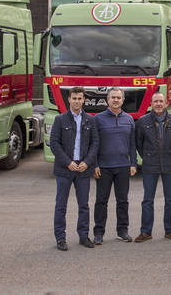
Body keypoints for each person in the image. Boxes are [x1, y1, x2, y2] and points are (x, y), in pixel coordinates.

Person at [50, 86, 99, 251]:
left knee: (84, 205)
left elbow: (95, 144)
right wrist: (67, 162)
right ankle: (60, 238)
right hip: (65, 169)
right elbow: (54, 144)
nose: (77, 101)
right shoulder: (60, 120)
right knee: (61, 205)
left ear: (84, 100)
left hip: (83, 169)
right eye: (74, 98)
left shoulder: (90, 120)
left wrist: (87, 162)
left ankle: (84, 236)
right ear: (69, 99)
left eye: (80, 98)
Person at [134, 92, 171, 243]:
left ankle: (170, 230)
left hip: (169, 165)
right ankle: (145, 232)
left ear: (166, 103)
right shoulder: (142, 122)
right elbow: (138, 143)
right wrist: (148, 156)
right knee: (148, 200)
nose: (158, 104)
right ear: (151, 103)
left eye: (161, 101)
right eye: (155, 101)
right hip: (150, 165)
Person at [93, 87, 137, 244]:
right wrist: (95, 165)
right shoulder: (98, 119)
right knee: (101, 201)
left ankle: (122, 231)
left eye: (119, 97)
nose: (116, 100)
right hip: (103, 167)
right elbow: (94, 144)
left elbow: (132, 144)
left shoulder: (129, 119)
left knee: (123, 201)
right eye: (113, 97)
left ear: (123, 100)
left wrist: (133, 163)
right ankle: (98, 233)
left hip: (123, 166)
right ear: (107, 99)